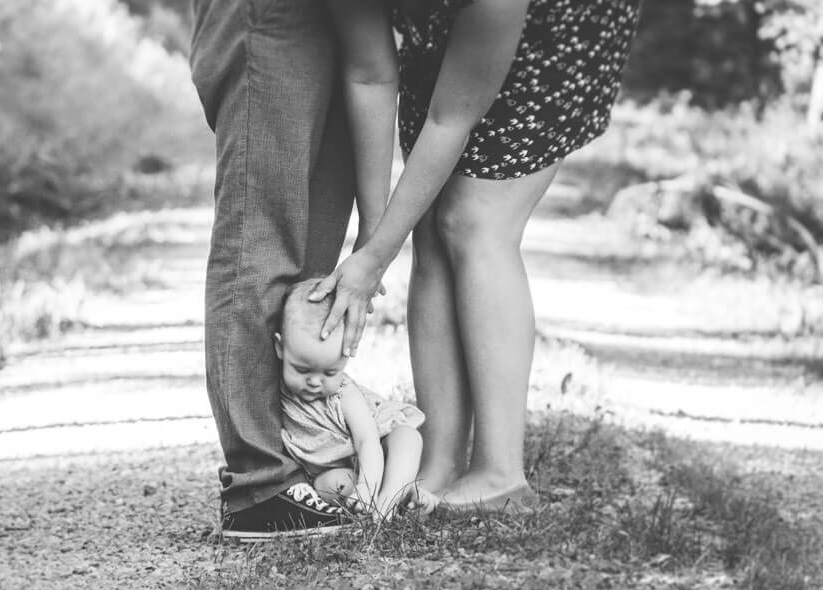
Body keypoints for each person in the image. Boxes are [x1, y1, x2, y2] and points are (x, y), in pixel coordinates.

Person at [315, 0, 642, 511]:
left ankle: (500, 473)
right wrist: (373, 234)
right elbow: (370, 76)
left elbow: (451, 119)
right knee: (428, 224)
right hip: (445, 28)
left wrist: (377, 259)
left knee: (473, 220)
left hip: (560, 23)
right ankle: (439, 461)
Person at [189, 1, 363, 539]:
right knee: (257, 242)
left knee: (312, 261)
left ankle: (302, 467)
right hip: (270, 17)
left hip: (334, 22)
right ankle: (259, 486)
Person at [275, 279, 438, 519]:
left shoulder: (343, 392)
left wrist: (367, 487)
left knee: (408, 436)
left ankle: (388, 500)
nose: (315, 382)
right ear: (280, 348)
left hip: (374, 455)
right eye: (301, 370)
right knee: (331, 484)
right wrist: (358, 487)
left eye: (330, 372)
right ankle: (400, 497)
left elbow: (367, 441)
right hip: (343, 473)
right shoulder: (274, 389)